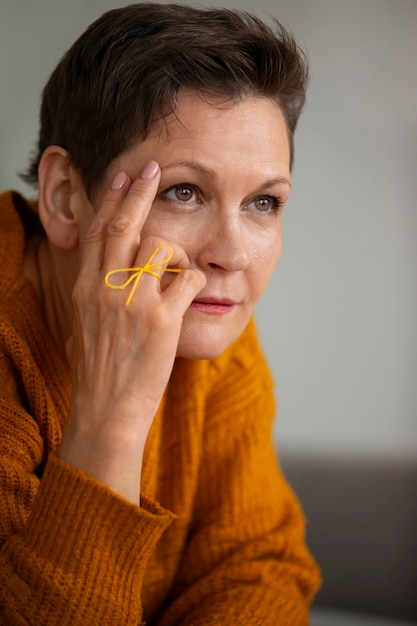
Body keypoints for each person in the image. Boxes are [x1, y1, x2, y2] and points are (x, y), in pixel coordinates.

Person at [0, 3, 321, 624]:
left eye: (263, 202)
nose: (230, 255)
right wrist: (111, 420)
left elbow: (258, 562)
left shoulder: (206, 316)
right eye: (184, 191)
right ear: (65, 198)